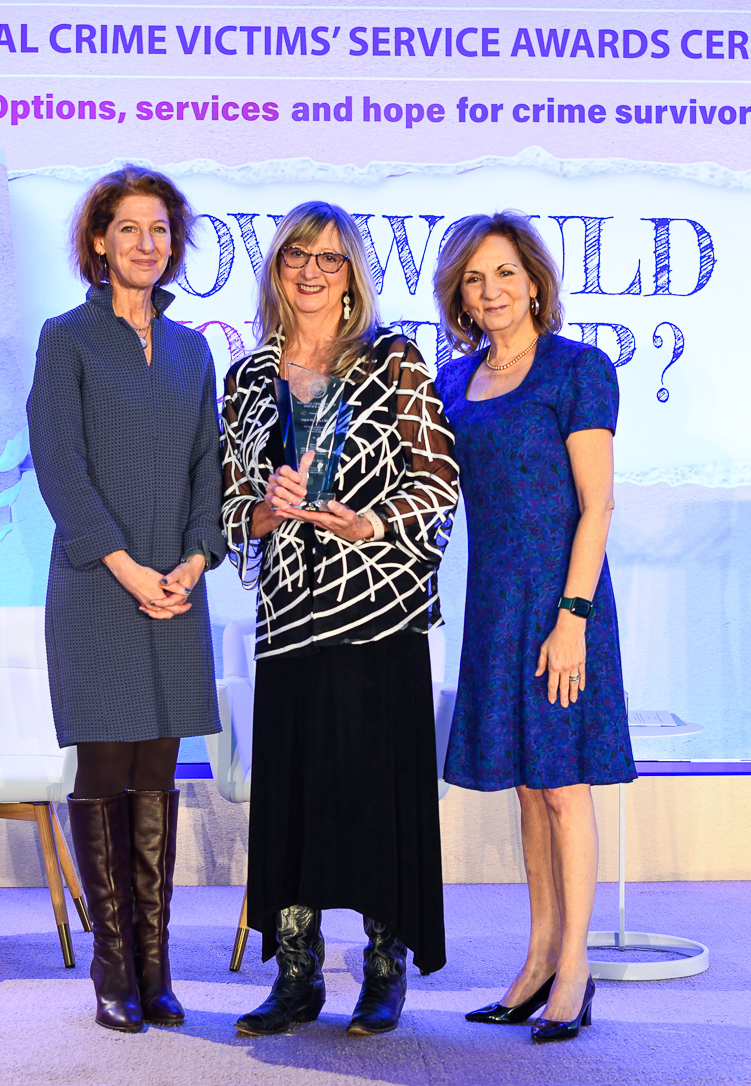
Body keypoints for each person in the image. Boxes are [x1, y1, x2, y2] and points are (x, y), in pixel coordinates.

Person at [220, 201, 459, 1037]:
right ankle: (297, 977)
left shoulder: (395, 361)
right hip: (288, 621)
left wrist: (370, 522)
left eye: (330, 258)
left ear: (352, 272)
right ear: (277, 267)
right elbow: (228, 510)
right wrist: (261, 509)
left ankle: (385, 973)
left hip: (377, 618)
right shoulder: (248, 377)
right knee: (292, 798)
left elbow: (438, 484)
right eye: (297, 255)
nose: (312, 271)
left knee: (374, 799)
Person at [28, 166, 226, 1034]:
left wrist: (192, 558)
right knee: (105, 770)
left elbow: (207, 468)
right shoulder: (65, 338)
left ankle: (155, 965)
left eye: (160, 229)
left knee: (158, 771)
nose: (147, 243)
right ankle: (112, 969)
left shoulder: (192, 348)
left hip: (176, 590)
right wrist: (126, 567)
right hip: (97, 588)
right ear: (99, 242)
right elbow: (61, 468)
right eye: (130, 228)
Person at [431, 212, 637, 1044]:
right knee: (525, 785)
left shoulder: (579, 369)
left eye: (506, 274)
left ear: (536, 281)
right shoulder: (453, 380)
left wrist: (573, 619)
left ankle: (575, 968)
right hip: (493, 606)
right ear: (460, 295)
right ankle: (538, 957)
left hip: (564, 605)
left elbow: (599, 506)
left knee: (563, 785)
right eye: (476, 279)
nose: (493, 291)